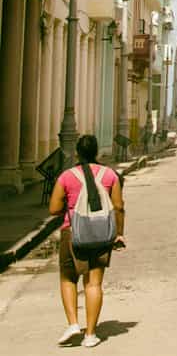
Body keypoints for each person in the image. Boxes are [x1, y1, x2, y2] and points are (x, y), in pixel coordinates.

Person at [48, 135, 125, 348]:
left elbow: (53, 209)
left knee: (68, 278)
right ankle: (90, 334)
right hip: (101, 235)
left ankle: (73, 323)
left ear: (77, 153)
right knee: (94, 283)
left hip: (73, 233)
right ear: (96, 152)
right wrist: (119, 233)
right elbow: (118, 206)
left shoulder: (66, 176)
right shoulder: (110, 175)